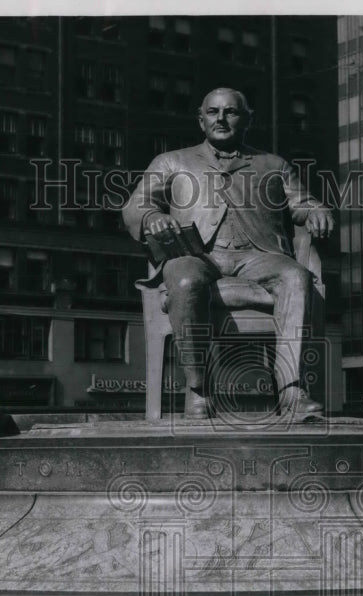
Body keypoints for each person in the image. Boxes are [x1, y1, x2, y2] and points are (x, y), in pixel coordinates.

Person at [123, 87, 336, 419]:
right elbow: (137, 205)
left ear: (248, 119)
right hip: (198, 256)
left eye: (231, 112)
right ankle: (198, 390)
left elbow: (301, 203)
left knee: (296, 275)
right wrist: (153, 217)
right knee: (183, 280)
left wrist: (317, 210)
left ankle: (291, 390)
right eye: (212, 112)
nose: (220, 119)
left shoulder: (273, 164)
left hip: (258, 256)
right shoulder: (171, 161)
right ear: (201, 119)